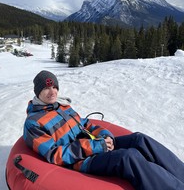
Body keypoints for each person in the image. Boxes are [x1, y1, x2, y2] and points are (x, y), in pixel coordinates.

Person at [23, 70, 184, 190]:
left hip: (94, 145)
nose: (52, 92)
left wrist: (105, 136)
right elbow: (54, 155)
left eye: (54, 87)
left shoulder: (63, 107)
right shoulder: (34, 123)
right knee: (128, 157)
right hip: (80, 161)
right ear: (38, 92)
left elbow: (85, 125)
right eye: (46, 89)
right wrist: (95, 146)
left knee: (139, 139)